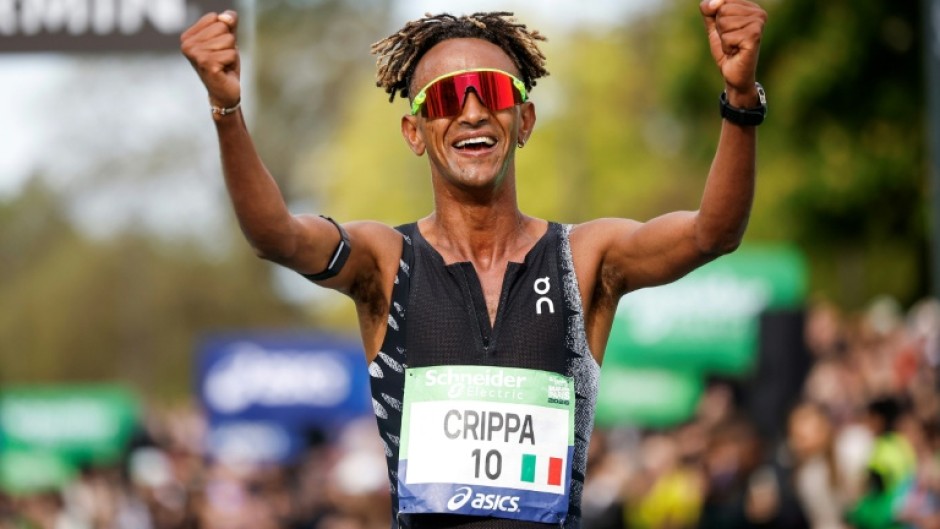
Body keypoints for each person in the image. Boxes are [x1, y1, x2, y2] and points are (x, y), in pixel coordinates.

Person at [180, 1, 767, 528]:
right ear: (415, 132)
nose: (471, 112)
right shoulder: (386, 263)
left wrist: (740, 100)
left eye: (491, 90)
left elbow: (712, 233)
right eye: (443, 98)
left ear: (524, 121)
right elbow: (275, 235)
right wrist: (227, 108)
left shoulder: (585, 258)